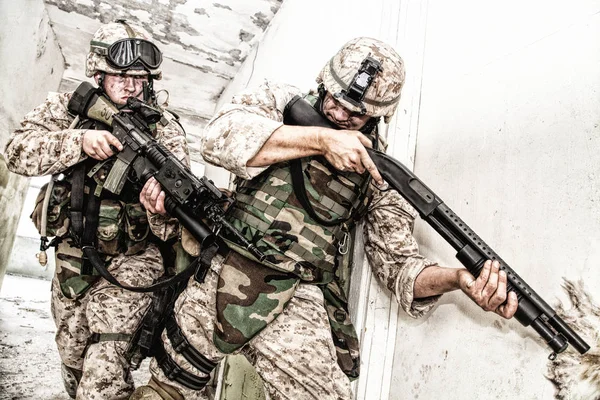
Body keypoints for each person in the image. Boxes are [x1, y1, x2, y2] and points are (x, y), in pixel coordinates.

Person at [134, 37, 518, 400]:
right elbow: (218, 138)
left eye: (356, 114)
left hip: (295, 299)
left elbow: (399, 268)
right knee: (164, 390)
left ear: (379, 117)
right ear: (323, 81)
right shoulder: (279, 101)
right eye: (335, 100)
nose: (339, 114)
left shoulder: (380, 174)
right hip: (218, 267)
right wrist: (322, 140)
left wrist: (456, 279)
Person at [4, 20, 190, 399]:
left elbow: (174, 214)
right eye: (120, 75)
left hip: (134, 260)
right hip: (74, 255)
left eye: (140, 77)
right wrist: (78, 142)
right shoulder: (66, 110)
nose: (131, 85)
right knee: (72, 359)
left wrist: (161, 206)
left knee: (103, 370)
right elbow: (16, 153)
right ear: (98, 72)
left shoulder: (164, 129)